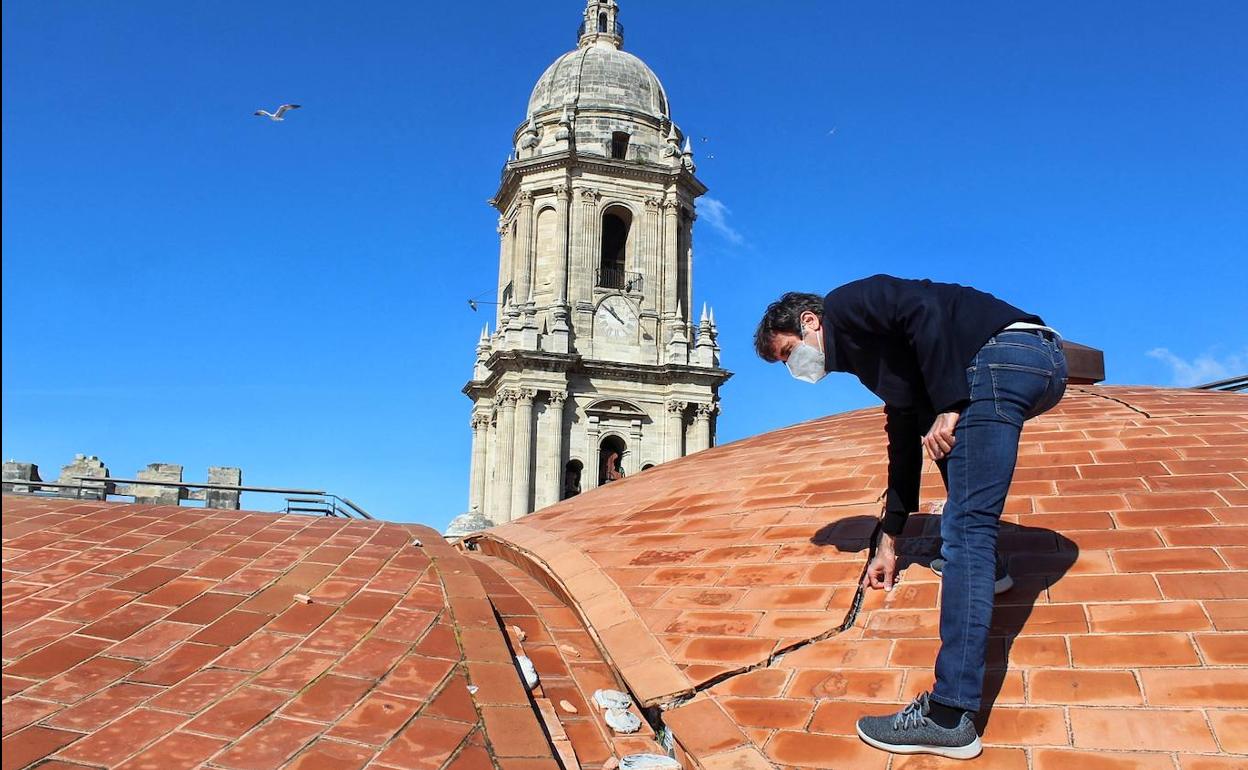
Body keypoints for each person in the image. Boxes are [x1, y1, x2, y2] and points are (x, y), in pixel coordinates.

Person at [754, 274, 1067, 760]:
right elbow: (903, 438)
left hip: (1007, 355)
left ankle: (948, 717)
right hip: (1023, 363)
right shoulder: (872, 362)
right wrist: (889, 539)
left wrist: (951, 403)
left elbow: (922, 308)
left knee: (966, 529)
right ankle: (993, 572)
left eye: (787, 352)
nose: (793, 367)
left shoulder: (848, 305)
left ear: (810, 322)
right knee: (936, 442)